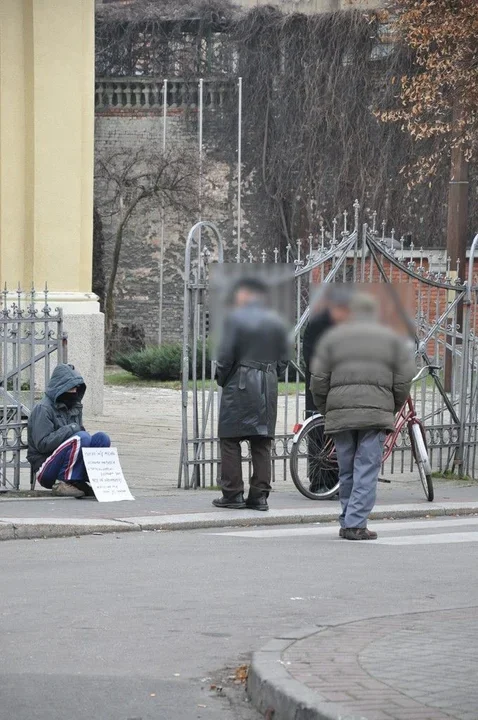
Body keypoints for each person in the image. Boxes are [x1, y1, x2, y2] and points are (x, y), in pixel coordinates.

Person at [310, 291, 416, 540]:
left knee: (346, 470)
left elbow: (318, 380)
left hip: (341, 415)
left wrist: (328, 408)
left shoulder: (332, 339)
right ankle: (355, 524)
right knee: (366, 469)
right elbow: (403, 379)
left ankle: (348, 519)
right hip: (375, 414)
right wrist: (391, 407)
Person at [213, 277, 289, 512]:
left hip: (241, 383)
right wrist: (271, 373)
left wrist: (222, 379)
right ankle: (259, 496)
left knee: (229, 439)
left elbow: (225, 357)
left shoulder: (235, 320)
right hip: (267, 384)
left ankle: (233, 493)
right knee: (262, 441)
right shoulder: (277, 322)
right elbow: (284, 358)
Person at [27, 363, 111, 498]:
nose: (74, 392)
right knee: (81, 437)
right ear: (60, 388)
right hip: (45, 466)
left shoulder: (74, 406)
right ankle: (64, 483)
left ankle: (92, 481)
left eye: (76, 388)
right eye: (70, 388)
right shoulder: (43, 409)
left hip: (67, 460)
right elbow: (42, 445)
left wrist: (75, 432)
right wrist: (71, 429)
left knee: (102, 438)